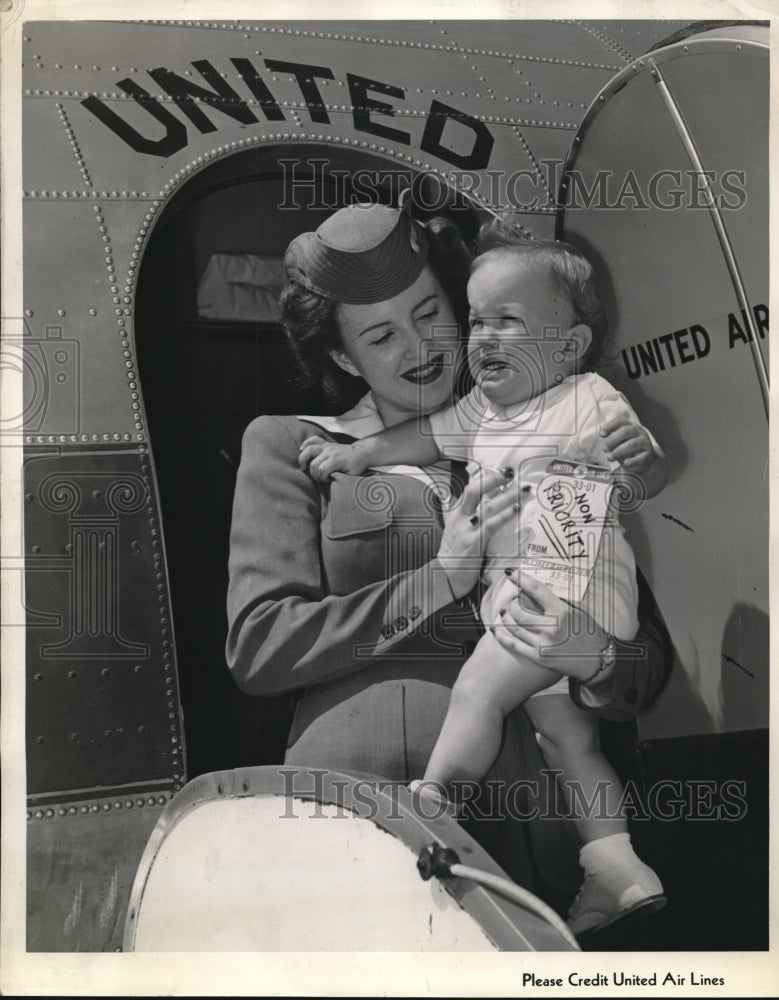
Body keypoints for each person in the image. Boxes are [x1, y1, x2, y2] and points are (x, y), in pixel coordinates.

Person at [225, 199, 671, 938]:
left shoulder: (544, 420)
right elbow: (261, 646)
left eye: (432, 311)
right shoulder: (295, 446)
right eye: (379, 334)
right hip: (356, 816)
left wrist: (589, 654)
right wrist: (440, 579)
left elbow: (645, 662)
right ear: (343, 358)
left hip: (528, 838)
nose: (421, 344)